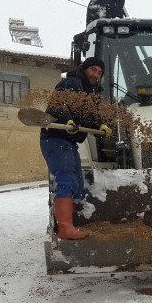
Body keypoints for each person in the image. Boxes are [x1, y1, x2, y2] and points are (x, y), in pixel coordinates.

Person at [41, 57, 109, 240]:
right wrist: (66, 120)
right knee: (66, 180)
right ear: (85, 69)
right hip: (55, 138)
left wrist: (100, 126)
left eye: (100, 73)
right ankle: (65, 228)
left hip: (68, 142)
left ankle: (69, 224)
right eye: (93, 70)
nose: (96, 75)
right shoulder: (72, 82)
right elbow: (60, 105)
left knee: (77, 184)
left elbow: (90, 114)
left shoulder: (91, 92)